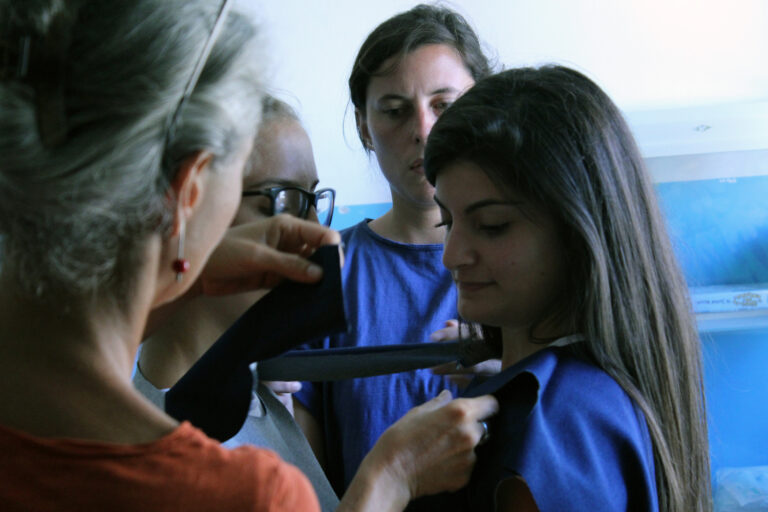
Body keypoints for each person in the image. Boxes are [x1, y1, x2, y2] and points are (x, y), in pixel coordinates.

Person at [0, 1, 498, 511]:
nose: (302, 231)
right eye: (274, 197)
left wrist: (186, 278)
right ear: (189, 190)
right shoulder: (249, 493)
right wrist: (390, 477)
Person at [422, 65, 712, 511]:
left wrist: (385, 481)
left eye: (492, 225)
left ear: (578, 232)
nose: (451, 255)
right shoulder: (590, 399)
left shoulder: (552, 427)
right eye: (448, 221)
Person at [294, 3, 494, 494]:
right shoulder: (325, 273)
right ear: (365, 126)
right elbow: (306, 490)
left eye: (444, 105)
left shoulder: (528, 265)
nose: (423, 131)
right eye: (395, 110)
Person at [136, 94, 340, 511]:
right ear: (189, 203)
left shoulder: (247, 397)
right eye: (284, 199)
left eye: (314, 200)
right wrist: (390, 481)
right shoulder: (180, 443)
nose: (316, 232)